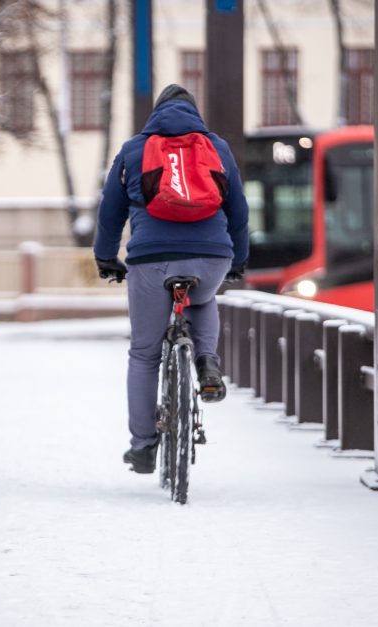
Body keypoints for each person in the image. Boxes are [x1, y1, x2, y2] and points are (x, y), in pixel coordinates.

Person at [93, 84, 249, 474]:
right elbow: (239, 211)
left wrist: (106, 257)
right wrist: (237, 260)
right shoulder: (217, 147)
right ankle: (207, 362)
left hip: (151, 260)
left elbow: (110, 213)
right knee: (203, 298)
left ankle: (144, 447)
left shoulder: (133, 150)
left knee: (144, 354)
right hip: (212, 256)